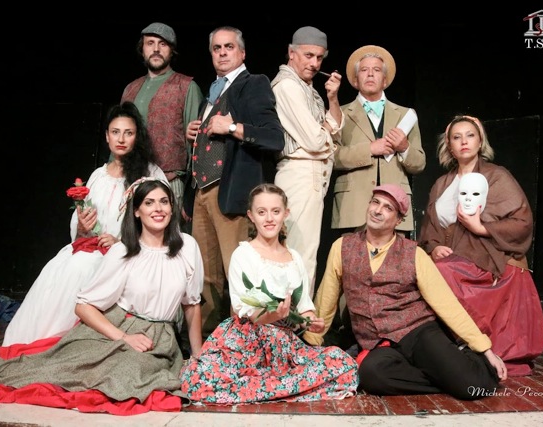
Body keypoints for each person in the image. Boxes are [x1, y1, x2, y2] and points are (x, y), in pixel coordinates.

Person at [0, 179, 204, 413]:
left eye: (164, 202)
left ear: (172, 208)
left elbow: (191, 305)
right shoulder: (124, 251)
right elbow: (83, 307)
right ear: (137, 211)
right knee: (86, 372)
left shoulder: (187, 247)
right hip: (118, 328)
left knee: (136, 373)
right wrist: (124, 337)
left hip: (160, 337)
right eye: (149, 203)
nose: (158, 209)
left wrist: (197, 357)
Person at [304, 184, 507, 400]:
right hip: (378, 342)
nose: (377, 210)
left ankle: (461, 365)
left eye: (388, 207)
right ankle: (445, 381)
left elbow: (446, 304)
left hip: (417, 332)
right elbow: (326, 299)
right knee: (370, 374)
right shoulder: (342, 247)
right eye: (375, 202)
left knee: (473, 386)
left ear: (399, 220)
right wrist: (311, 343)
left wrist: (484, 348)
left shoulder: (414, 253)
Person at [2, 101, 167, 347]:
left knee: (82, 266)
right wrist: (81, 227)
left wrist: (121, 241)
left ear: (137, 137)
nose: (121, 139)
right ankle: (43, 342)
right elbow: (78, 226)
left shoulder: (150, 174)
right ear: (107, 137)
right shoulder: (98, 176)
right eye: (115, 132)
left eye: (128, 133)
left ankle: (71, 342)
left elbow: (161, 220)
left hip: (130, 253)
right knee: (62, 265)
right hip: (93, 248)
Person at [181, 183, 357, 404]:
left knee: (343, 363)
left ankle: (273, 387)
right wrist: (272, 316)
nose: (269, 218)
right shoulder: (243, 254)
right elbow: (245, 310)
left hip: (283, 347)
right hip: (247, 342)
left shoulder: (294, 257)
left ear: (286, 213)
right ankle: (280, 388)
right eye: (261, 212)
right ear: (251, 216)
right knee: (201, 379)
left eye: (275, 211)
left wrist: (311, 322)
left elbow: (304, 306)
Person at [418, 115, 543, 376]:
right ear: (449, 146)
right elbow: (430, 228)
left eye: (470, 135)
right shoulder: (441, 184)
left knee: (443, 273)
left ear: (480, 141)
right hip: (451, 257)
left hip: (486, 259)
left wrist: (481, 228)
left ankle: (473, 345)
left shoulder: (497, 176)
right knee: (423, 272)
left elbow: (522, 222)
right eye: (457, 137)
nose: (464, 141)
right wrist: (434, 248)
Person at [184, 26, 284, 338]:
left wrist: (232, 128)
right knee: (205, 278)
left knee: (238, 275)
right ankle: (212, 346)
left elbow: (274, 137)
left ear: (242, 53)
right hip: (202, 192)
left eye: (229, 47)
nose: (222, 52)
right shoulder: (211, 92)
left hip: (230, 192)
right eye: (217, 48)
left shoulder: (253, 84)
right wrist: (196, 134)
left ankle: (245, 346)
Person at [271, 26, 342, 298]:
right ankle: (293, 318)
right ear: (291, 53)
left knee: (305, 254)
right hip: (298, 173)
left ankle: (298, 317)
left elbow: (334, 129)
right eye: (308, 55)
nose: (314, 63)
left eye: (320, 58)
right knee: (297, 253)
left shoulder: (307, 88)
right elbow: (316, 141)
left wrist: (332, 99)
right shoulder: (288, 85)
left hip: (312, 175)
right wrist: (327, 132)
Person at [332, 45, 425, 238]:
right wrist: (370, 149)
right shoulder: (340, 113)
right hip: (354, 208)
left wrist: (404, 148)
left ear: (385, 80)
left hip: (395, 209)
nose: (370, 74)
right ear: (355, 80)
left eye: (376, 70)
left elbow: (419, 163)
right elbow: (331, 156)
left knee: (396, 258)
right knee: (352, 257)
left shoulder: (406, 115)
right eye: (364, 70)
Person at [121, 22, 204, 226]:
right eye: (150, 43)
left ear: (171, 50)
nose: (156, 49)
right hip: (130, 181)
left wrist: (189, 195)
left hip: (170, 182)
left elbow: (197, 146)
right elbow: (118, 139)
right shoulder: (131, 89)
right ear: (142, 49)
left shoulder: (186, 86)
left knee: (169, 242)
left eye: (163, 44)